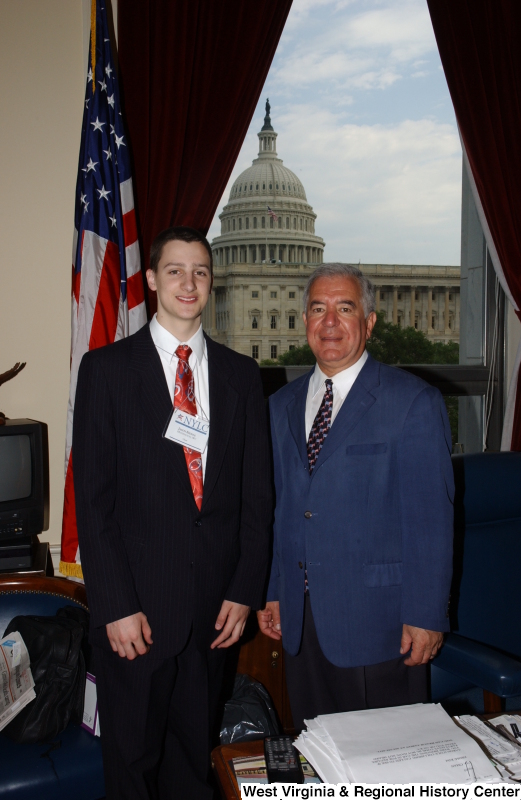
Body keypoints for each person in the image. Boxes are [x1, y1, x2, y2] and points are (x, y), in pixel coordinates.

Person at [73, 226, 272, 799]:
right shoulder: (106, 371)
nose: (189, 282)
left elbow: (257, 500)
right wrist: (115, 605)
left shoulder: (240, 376)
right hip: (135, 615)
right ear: (154, 278)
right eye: (177, 270)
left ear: (212, 284)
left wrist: (242, 589)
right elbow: (95, 501)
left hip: (214, 612)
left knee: (192, 763)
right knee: (132, 765)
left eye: (201, 272)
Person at [258, 263, 454, 732]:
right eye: (318, 309)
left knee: (389, 765)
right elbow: (281, 508)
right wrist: (272, 591)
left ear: (368, 322)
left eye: (345, 309)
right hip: (302, 625)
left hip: (383, 627)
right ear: (305, 320)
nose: (330, 323)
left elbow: (430, 520)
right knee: (321, 755)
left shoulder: (413, 402)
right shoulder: (279, 406)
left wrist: (427, 616)